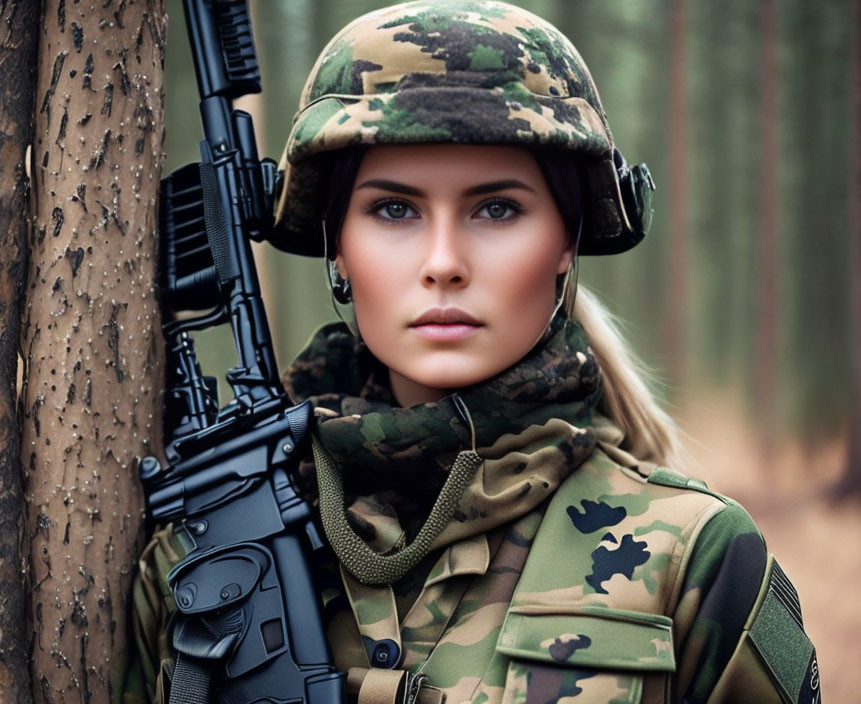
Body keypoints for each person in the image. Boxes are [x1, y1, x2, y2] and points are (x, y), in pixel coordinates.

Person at [130, 2, 821, 703]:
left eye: (496, 209)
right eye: (394, 209)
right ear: (338, 245)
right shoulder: (211, 559)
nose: (443, 263)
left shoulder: (694, 555)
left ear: (565, 244)